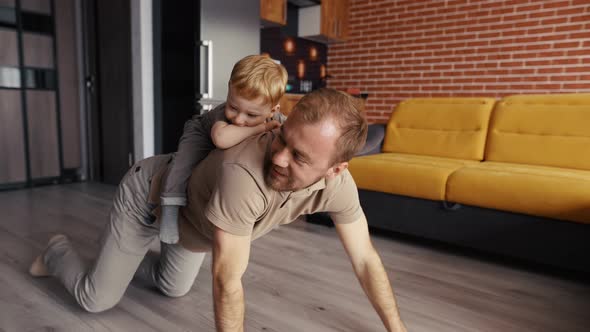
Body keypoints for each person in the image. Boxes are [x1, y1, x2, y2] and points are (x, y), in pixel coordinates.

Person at [29, 88, 407, 331]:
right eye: (282, 138)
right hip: (150, 198)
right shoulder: (243, 172)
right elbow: (227, 280)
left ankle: (118, 258)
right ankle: (57, 250)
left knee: (171, 288)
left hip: (194, 223)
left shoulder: (340, 188)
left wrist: (396, 328)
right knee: (96, 299)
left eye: (299, 157)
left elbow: (365, 260)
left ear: (336, 169)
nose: (278, 156)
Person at [159, 54, 288, 244]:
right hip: (202, 132)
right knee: (183, 163)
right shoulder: (225, 115)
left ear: (273, 111)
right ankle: (169, 209)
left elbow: (290, 132)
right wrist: (260, 127)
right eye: (233, 107)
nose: (238, 119)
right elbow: (221, 139)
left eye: (251, 114)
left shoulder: (276, 119)